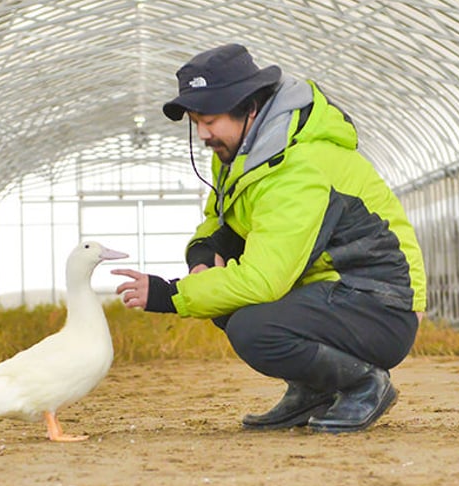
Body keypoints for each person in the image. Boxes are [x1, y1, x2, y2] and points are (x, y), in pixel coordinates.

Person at [113, 43, 426, 433]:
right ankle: (312, 390)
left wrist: (169, 294)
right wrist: (204, 252)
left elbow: (265, 279)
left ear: (250, 108)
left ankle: (363, 384)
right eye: (196, 122)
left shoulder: (296, 168)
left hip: (379, 307)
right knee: (225, 298)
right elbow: (221, 218)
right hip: (333, 296)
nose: (203, 134)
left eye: (210, 120)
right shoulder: (243, 153)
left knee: (253, 327)